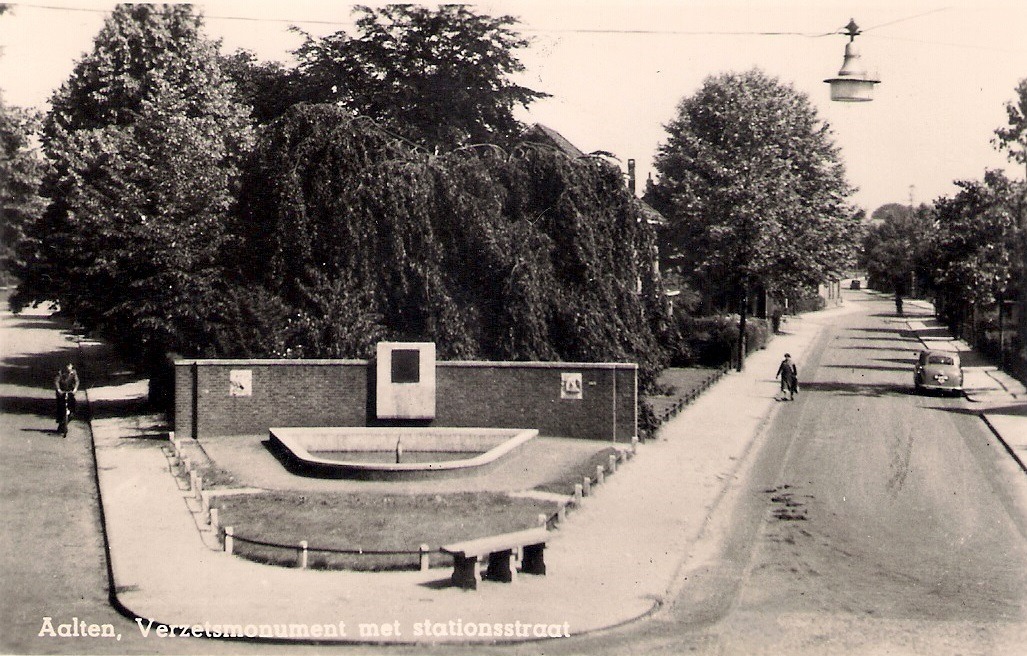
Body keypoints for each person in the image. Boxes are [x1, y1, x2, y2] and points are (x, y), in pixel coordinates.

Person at [54, 362, 79, 430]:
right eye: (67, 366)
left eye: (69, 366)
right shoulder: (60, 373)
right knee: (60, 405)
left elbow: (76, 381)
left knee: (73, 406)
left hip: (70, 391)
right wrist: (58, 389)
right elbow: (56, 381)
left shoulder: (73, 373)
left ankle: (68, 418)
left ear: (71, 366)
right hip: (62, 392)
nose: (68, 368)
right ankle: (60, 420)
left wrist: (75, 389)